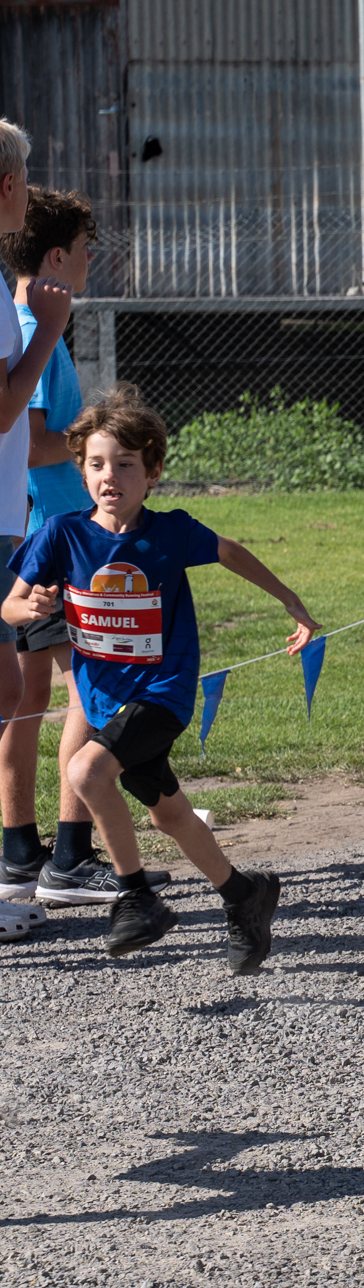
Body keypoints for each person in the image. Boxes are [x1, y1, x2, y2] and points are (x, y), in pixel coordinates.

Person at [5, 389, 310, 965]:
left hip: (162, 694)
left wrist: (290, 601)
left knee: (87, 772)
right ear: (81, 471)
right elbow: (10, 607)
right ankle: (245, 896)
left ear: (152, 473)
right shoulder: (61, 535)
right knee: (167, 813)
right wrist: (34, 607)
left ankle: (137, 896)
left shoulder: (169, 533)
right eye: (96, 464)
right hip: (104, 703)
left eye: (125, 464)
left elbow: (230, 551)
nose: (109, 475)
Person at [0, 190, 103, 922]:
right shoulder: (41, 326)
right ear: (56, 259)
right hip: (54, 534)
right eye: (86, 248)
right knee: (89, 689)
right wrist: (104, 447)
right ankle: (70, 854)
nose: (92, 260)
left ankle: (18, 853)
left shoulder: (22, 318)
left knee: (24, 700)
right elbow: (32, 441)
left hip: (30, 532)